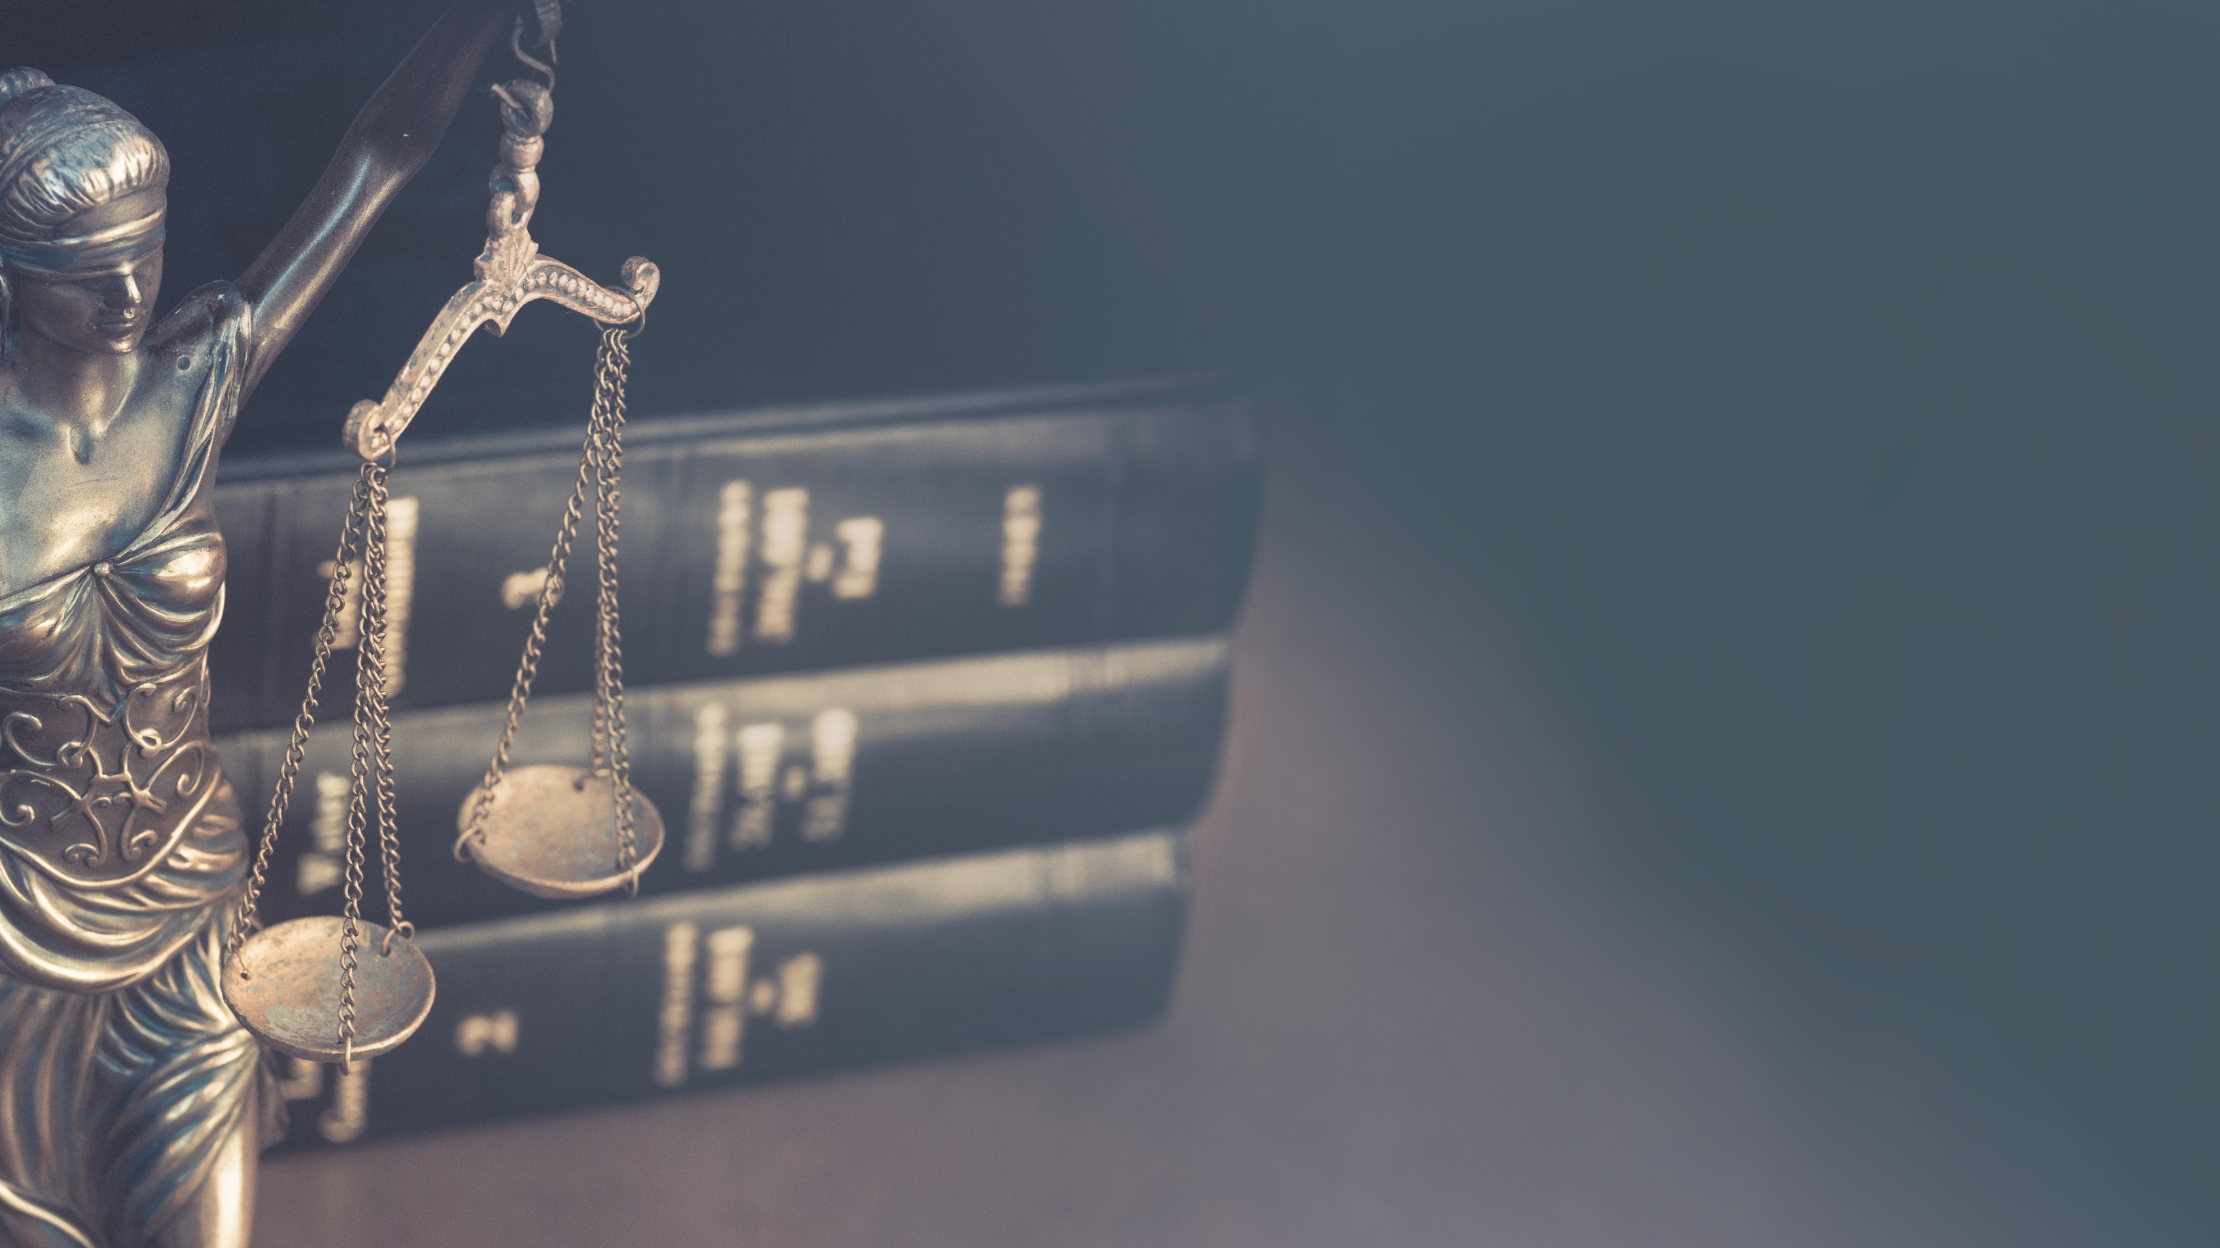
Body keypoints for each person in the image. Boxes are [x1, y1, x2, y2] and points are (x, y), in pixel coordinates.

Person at [0, 7, 518, 1244]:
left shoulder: (193, 380)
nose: (128, 292)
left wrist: (484, 21)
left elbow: (374, 160)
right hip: (17, 948)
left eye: (146, 252)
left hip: (188, 906)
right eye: (85, 275)